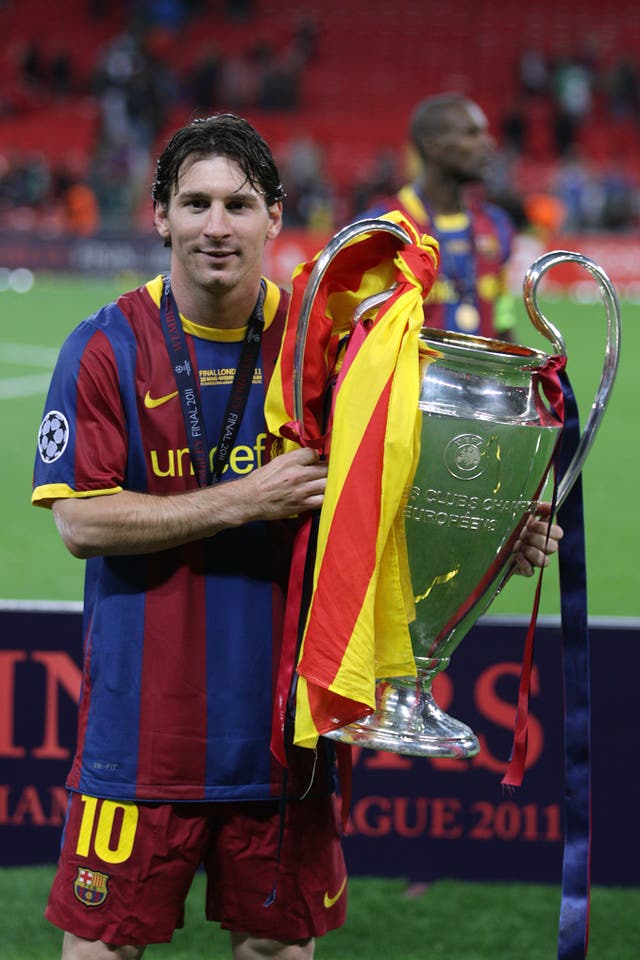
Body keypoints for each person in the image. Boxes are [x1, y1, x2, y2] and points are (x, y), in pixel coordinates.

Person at [32, 112, 562, 959]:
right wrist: (244, 498)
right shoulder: (103, 347)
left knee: (277, 950)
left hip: (289, 734)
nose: (216, 227)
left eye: (239, 205)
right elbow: (80, 520)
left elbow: (399, 499)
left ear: (275, 218)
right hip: (141, 737)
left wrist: (496, 533)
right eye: (195, 203)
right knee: (102, 950)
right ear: (160, 214)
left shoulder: (332, 350)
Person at [358, 93, 518, 341]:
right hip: (412, 379)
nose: (488, 143)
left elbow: (503, 317)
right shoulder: (384, 227)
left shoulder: (498, 225)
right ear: (433, 145)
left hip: (482, 377)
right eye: (472, 134)